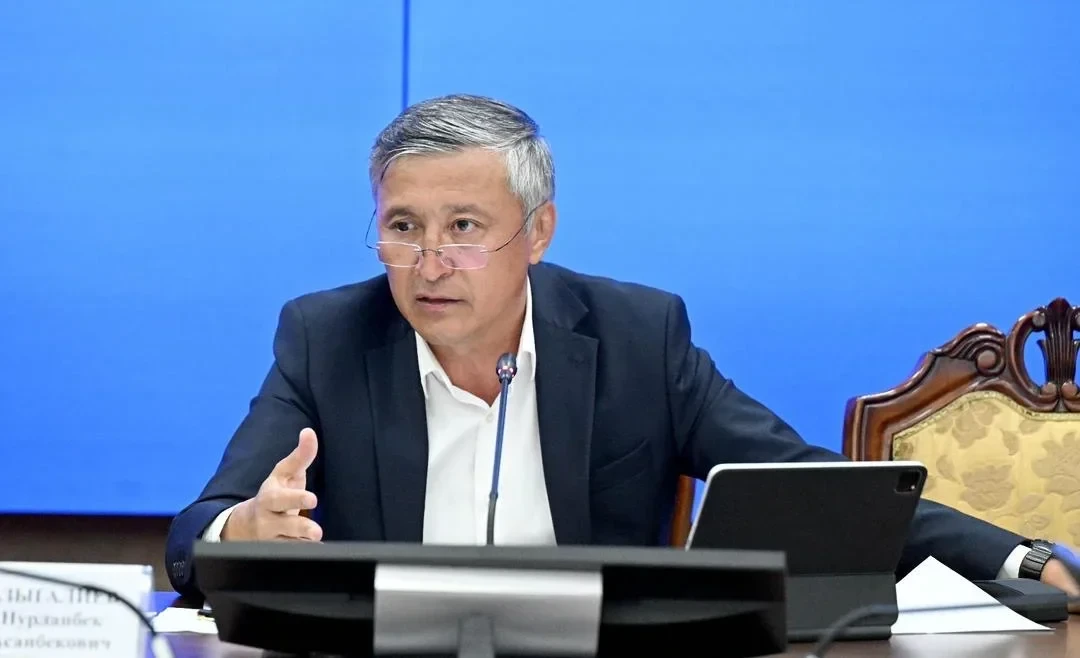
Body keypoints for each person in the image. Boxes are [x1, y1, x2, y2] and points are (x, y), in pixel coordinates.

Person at [165, 94, 1080, 606]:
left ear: (538, 232)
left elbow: (809, 485)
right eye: (403, 227)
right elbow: (195, 530)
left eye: (464, 227)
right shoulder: (327, 338)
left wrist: (1025, 561)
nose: (430, 263)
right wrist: (240, 532)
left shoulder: (637, 336)